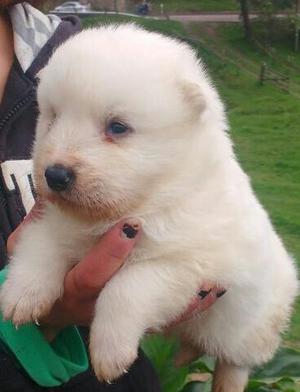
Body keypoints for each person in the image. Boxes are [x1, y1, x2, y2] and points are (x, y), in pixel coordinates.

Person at [0, 2, 224, 391]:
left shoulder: (88, 51)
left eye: (116, 128)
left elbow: (210, 232)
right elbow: (51, 235)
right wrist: (26, 327)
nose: (57, 161)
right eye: (51, 117)